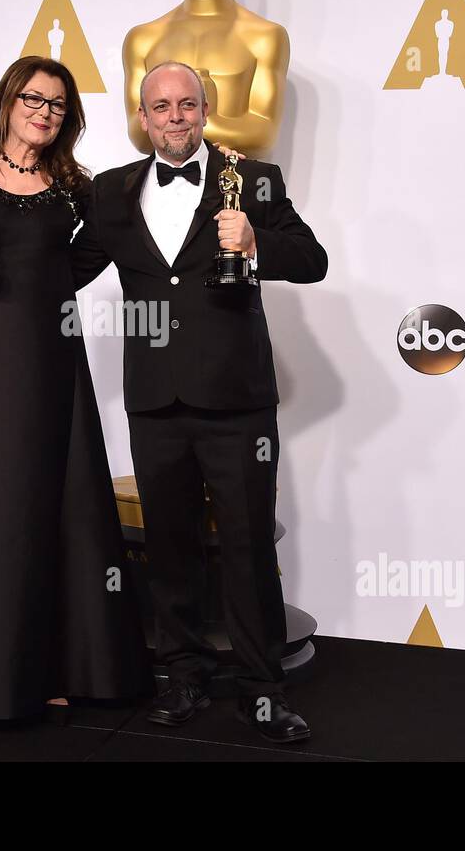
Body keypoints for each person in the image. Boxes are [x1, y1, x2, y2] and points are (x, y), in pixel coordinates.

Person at [70, 61, 327, 743]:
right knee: (172, 548)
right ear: (143, 116)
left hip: (237, 401)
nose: (175, 115)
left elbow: (312, 258)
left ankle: (262, 690)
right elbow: (67, 269)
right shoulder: (111, 190)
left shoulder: (254, 179)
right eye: (161, 105)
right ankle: (181, 676)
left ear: (205, 110)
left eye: (187, 104)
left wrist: (255, 241)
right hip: (154, 400)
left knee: (245, 548)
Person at [0, 56, 150, 722]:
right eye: (34, 99)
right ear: (8, 101)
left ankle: (62, 668)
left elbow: (82, 257)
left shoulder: (72, 187)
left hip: (52, 359)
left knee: (60, 505)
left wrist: (47, 283)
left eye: (58, 106)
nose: (44, 112)